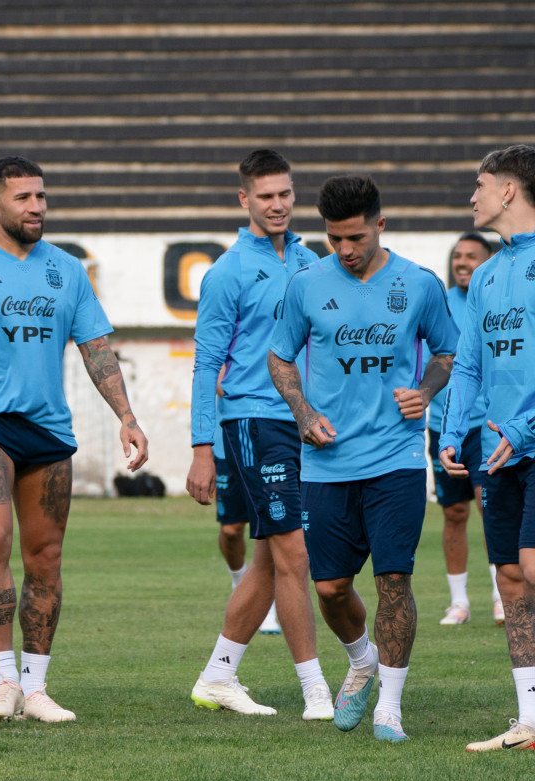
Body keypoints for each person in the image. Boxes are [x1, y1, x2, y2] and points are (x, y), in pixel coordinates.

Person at [0, 155, 148, 723]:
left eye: (41, 197)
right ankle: (2, 682)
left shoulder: (68, 270)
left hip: (49, 428)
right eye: (24, 198)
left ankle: (36, 687)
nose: (36, 207)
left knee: (44, 558)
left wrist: (127, 415)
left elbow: (96, 347)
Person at [269, 174, 457, 743]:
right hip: (326, 463)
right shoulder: (305, 285)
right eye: (334, 239)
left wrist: (425, 391)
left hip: (397, 457)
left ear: (381, 224)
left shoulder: (419, 285)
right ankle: (361, 660)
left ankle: (390, 709)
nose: (345, 250)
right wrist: (302, 412)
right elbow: (280, 359)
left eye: (355, 237)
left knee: (394, 581)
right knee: (329, 588)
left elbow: (446, 352)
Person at [185, 150, 331, 720]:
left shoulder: (313, 262)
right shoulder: (227, 272)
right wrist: (202, 448)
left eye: (286, 194)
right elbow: (206, 363)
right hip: (251, 420)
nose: (277, 205)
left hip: (302, 422)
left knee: (272, 559)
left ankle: (218, 676)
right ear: (244, 199)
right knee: (294, 552)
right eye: (265, 195)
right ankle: (317, 690)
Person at [440, 144, 535, 751]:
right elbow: (470, 365)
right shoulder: (491, 273)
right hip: (498, 449)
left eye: (479, 185)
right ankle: (529, 717)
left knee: (532, 567)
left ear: (508, 191)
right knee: (508, 577)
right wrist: (453, 430)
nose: (471, 196)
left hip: (527, 440)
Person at [428, 233, 501, 625]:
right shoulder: (439, 304)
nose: (462, 262)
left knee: (489, 507)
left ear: (488, 262)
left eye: (472, 256)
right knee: (454, 512)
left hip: (487, 424)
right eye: (457, 256)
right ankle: (459, 602)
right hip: (444, 427)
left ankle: (499, 594)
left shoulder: (495, 301)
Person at [214, 392, 279, 634]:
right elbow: (220, 383)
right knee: (231, 530)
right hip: (229, 440)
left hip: (275, 439)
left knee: (273, 527)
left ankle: (266, 606)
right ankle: (239, 582)